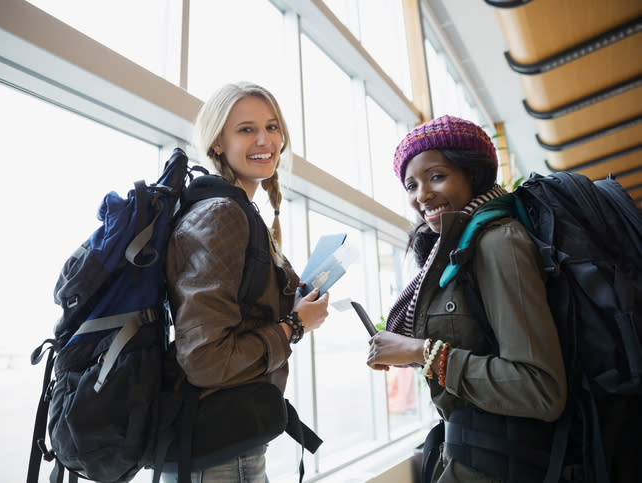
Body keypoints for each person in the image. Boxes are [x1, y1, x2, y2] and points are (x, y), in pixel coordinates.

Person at [367, 115, 567, 482]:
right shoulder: (460, 249)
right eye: (411, 184)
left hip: (504, 465)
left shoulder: (498, 241)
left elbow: (541, 388)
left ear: (473, 175)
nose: (422, 195)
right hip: (471, 459)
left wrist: (420, 353)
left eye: (437, 176)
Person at [164, 81, 330, 483]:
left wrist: (293, 311)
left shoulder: (236, 211)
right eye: (246, 129)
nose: (264, 140)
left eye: (272, 127)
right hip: (217, 456)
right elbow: (206, 360)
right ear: (217, 143)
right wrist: (294, 325)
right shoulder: (222, 215)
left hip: (225, 447)